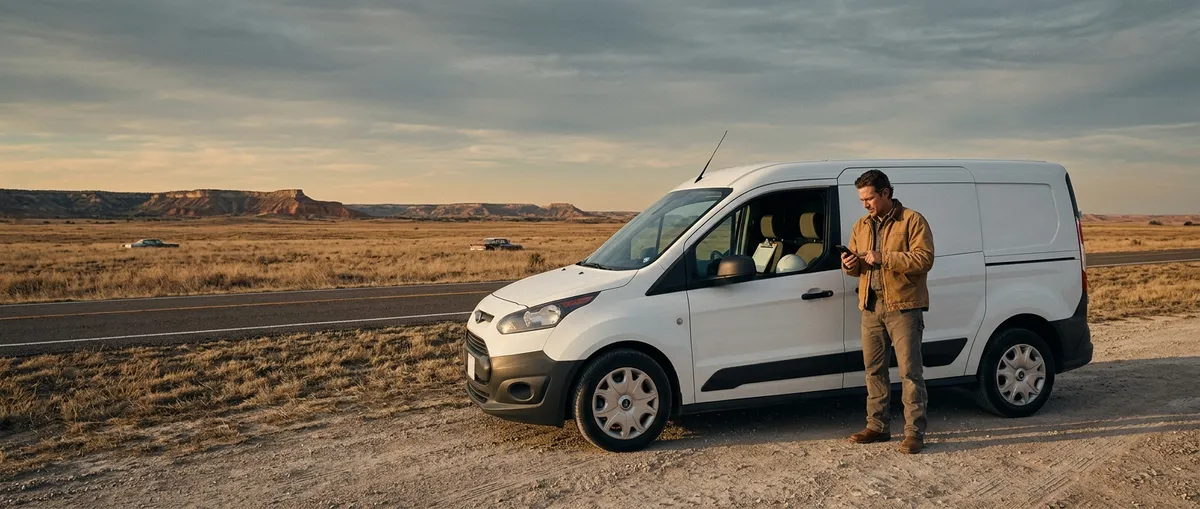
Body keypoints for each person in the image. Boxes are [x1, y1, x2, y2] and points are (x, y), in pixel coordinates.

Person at [840, 169, 935, 454]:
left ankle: (914, 433)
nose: (865, 204)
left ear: (885, 193)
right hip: (870, 306)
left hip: (904, 308)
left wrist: (885, 258)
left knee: (910, 373)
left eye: (869, 198)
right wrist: (849, 264)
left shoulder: (912, 220)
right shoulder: (861, 225)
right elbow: (858, 267)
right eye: (862, 200)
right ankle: (878, 427)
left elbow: (925, 259)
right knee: (874, 370)